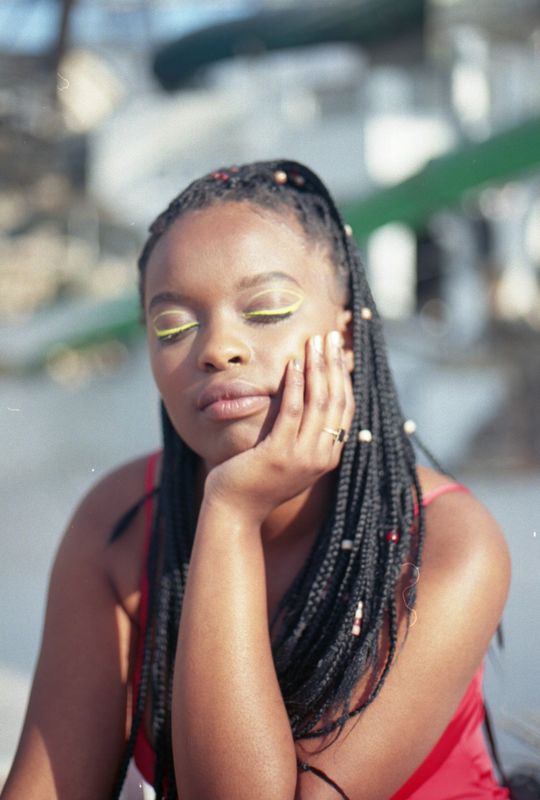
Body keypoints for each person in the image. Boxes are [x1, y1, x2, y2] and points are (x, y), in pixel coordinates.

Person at [2, 159, 512, 800]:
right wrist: (228, 509)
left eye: (266, 310)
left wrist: (230, 512)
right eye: (173, 326)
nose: (218, 348)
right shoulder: (121, 521)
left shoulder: (446, 540)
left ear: (345, 338)